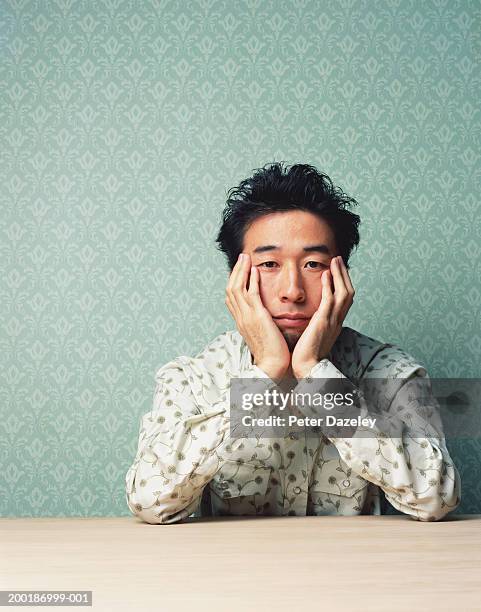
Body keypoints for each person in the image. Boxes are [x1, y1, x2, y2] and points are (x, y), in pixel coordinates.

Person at [125, 162, 461, 524]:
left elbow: (437, 497)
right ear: (236, 279)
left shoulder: (393, 371)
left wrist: (314, 372)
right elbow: (149, 500)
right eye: (269, 264)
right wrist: (267, 370)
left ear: (341, 276)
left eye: (313, 264)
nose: (292, 291)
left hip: (354, 574)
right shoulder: (191, 379)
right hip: (233, 574)